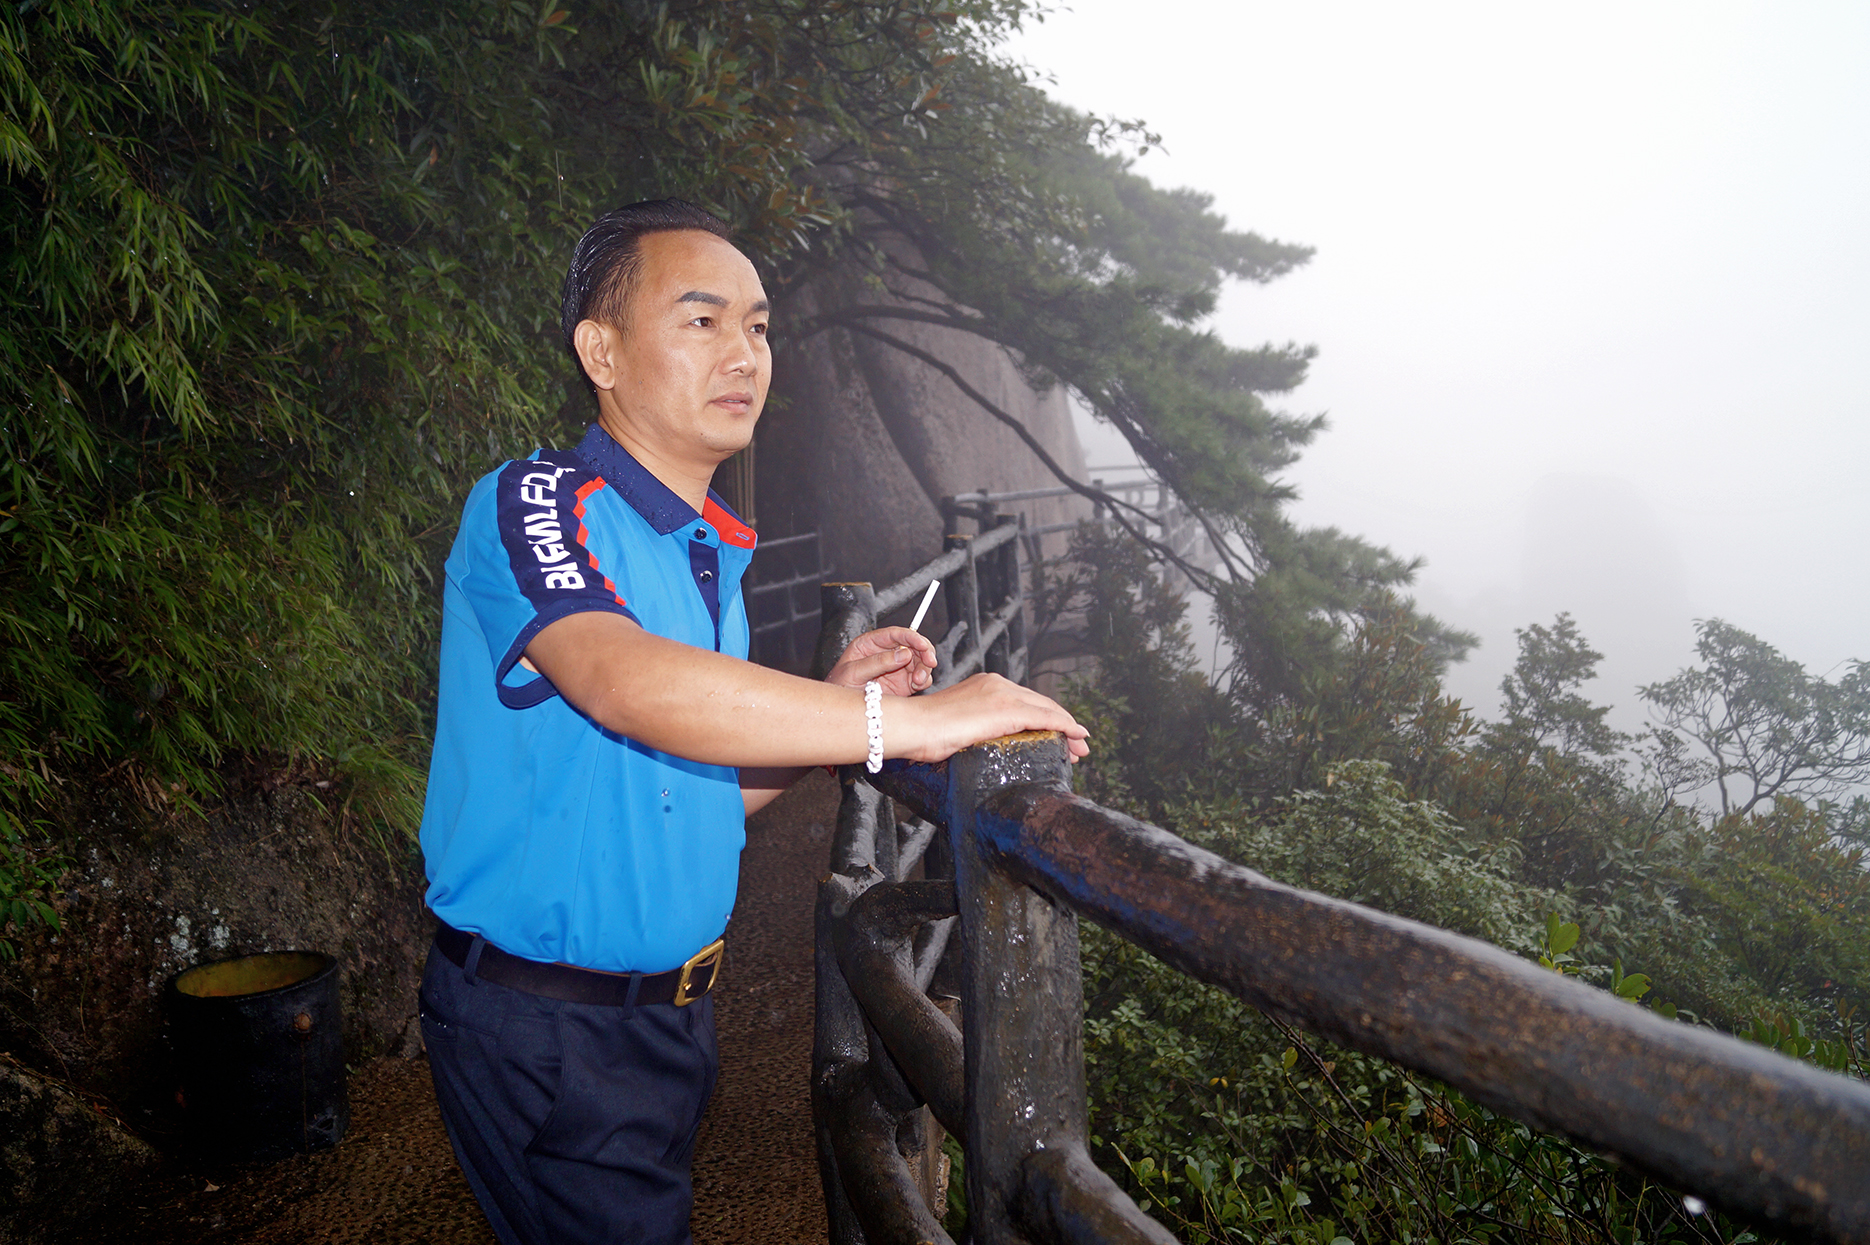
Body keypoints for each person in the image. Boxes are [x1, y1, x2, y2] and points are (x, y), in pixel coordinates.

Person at [416, 198, 1089, 1245]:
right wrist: (893, 726)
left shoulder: (703, 554)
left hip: (662, 1018)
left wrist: (837, 701)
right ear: (601, 349)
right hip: (546, 1025)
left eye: (761, 326)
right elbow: (621, 680)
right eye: (700, 320)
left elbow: (704, 796)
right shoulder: (540, 500)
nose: (744, 352)